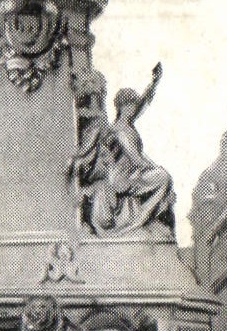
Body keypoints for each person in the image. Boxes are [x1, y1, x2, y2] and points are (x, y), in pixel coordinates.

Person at [69, 64, 176, 235]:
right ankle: (139, 220)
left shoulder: (127, 124)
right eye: (131, 105)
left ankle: (146, 217)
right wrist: (153, 168)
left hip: (130, 176)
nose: (135, 108)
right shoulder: (120, 130)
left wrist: (154, 84)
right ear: (123, 107)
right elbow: (136, 159)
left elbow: (142, 104)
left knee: (161, 176)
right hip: (122, 180)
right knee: (164, 177)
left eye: (135, 105)